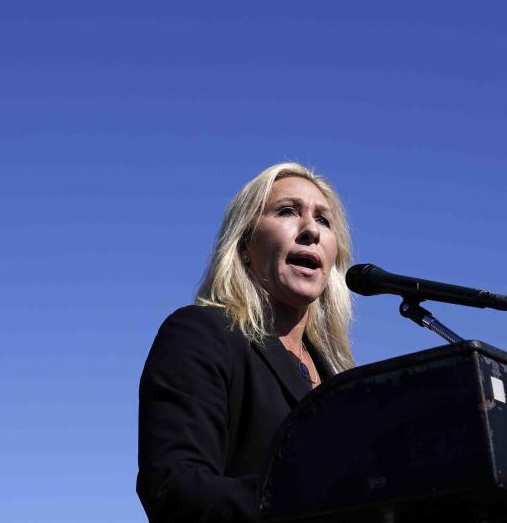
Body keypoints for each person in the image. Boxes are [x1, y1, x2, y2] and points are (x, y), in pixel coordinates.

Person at [137, 163, 356, 522]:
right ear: (243, 245)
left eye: (324, 220)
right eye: (287, 211)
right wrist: (317, 498)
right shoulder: (200, 334)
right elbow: (172, 488)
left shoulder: (343, 382)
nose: (311, 231)